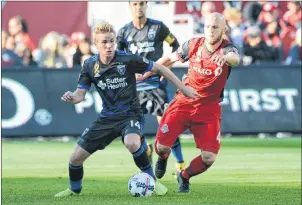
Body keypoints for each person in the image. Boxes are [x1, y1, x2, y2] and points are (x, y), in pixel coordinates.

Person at [54, 21, 199, 197]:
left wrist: (183, 88)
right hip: (107, 118)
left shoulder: (127, 59)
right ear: (96, 44)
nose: (108, 46)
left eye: (111, 41)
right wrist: (72, 97)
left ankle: (151, 180)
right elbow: (80, 94)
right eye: (104, 42)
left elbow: (159, 68)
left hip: (131, 114)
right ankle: (73, 190)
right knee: (75, 158)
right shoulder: (89, 66)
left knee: (131, 142)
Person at [153, 12, 240, 193]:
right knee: (161, 147)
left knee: (208, 158)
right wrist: (146, 72)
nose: (210, 30)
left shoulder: (227, 49)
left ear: (224, 29)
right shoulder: (193, 44)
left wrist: (225, 58)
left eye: (215, 27)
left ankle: (184, 176)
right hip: (184, 101)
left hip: (209, 108)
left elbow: (235, 58)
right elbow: (169, 59)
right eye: (208, 26)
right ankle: (163, 157)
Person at [116, 1, 186, 178]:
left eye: (141, 3)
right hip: (135, 88)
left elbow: (176, 46)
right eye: (135, 4)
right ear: (130, 6)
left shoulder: (158, 28)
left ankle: (180, 163)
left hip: (156, 84)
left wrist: (165, 67)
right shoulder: (124, 33)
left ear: (146, 5)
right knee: (134, 130)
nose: (138, 7)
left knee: (168, 126)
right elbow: (118, 60)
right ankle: (146, 151)